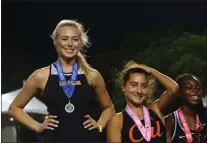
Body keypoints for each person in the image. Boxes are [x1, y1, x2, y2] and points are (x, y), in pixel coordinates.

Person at [8, 19, 115, 143]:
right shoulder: (40, 76)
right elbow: (14, 108)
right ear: (56, 42)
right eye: (64, 39)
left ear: (80, 43)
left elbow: (109, 108)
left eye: (75, 39)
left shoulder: (92, 75)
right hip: (54, 139)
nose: (70, 44)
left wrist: (100, 124)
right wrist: (38, 126)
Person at [106, 61, 179, 143]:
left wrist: (151, 70)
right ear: (123, 86)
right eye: (134, 85)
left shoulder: (156, 110)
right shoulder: (117, 120)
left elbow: (174, 89)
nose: (139, 91)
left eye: (144, 86)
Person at [165, 74, 207, 143]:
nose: (195, 90)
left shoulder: (204, 120)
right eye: (189, 87)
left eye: (198, 88)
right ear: (179, 92)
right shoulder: (171, 120)